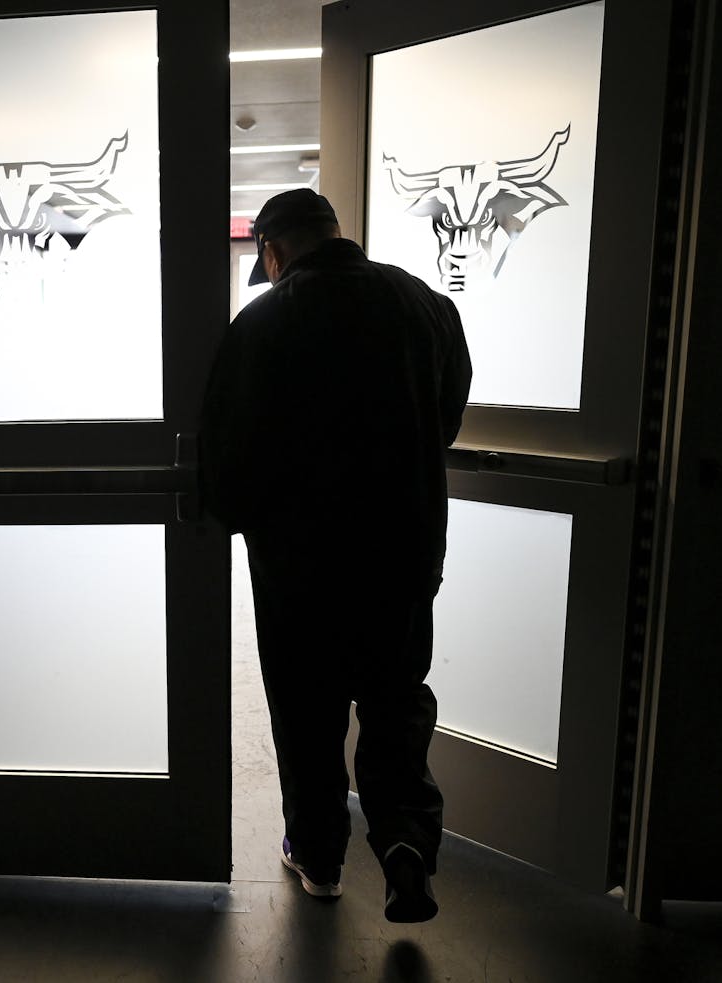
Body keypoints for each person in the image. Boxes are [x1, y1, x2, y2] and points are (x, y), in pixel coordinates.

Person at [201, 189, 472, 923]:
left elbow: (227, 455)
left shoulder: (261, 323)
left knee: (307, 714)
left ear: (274, 250)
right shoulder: (424, 306)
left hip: (300, 567)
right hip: (404, 553)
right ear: (333, 234)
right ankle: (405, 845)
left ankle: (320, 858)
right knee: (394, 705)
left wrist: (230, 516)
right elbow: (445, 416)